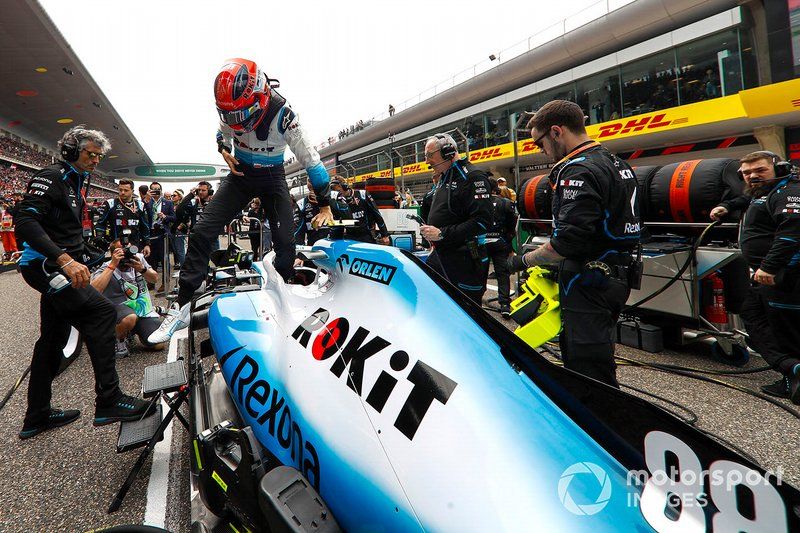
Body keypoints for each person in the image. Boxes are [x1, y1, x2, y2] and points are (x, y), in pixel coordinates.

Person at [149, 58, 333, 344]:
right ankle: (182, 305)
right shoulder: (231, 110)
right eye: (229, 115)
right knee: (201, 232)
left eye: (240, 115)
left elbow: (313, 164)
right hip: (240, 174)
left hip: (273, 177)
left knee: (286, 244)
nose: (236, 121)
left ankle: (285, 297)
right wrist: (224, 151)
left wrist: (324, 204)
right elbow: (222, 133)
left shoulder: (285, 117)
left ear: (260, 96)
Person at [14, 125, 153, 439]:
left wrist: (100, 252)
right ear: (70, 151)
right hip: (46, 267)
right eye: (90, 154)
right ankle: (109, 400)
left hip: (57, 264)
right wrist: (64, 259)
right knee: (102, 313)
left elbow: (67, 233)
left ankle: (36, 415)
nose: (95, 160)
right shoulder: (51, 176)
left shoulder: (79, 180)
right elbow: (25, 222)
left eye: (98, 155)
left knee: (52, 339)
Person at [508, 100, 641, 388]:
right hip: (616, 274)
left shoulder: (577, 171)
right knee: (597, 356)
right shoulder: (616, 162)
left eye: (539, 143)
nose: (540, 150)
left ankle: (601, 427)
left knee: (587, 369)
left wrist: (522, 261)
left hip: (590, 279)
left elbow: (567, 241)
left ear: (556, 132)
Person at [711, 151, 800, 402]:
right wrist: (726, 206)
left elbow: (791, 233)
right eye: (747, 173)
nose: (753, 177)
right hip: (767, 277)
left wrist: (771, 267)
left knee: (786, 328)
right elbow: (745, 200)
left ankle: (792, 374)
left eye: (760, 170)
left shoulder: (789, 192)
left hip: (784, 275)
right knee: (752, 314)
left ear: (780, 169)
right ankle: (791, 369)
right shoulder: (765, 192)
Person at [419, 133, 493, 304]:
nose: (426, 161)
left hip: (465, 261)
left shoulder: (473, 177)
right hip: (442, 255)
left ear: (448, 151)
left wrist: (442, 233)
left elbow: (482, 222)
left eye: (430, 155)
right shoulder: (445, 176)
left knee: (467, 312)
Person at [90, 239, 165, 358]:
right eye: (121, 253)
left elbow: (154, 279)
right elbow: (93, 290)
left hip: (140, 310)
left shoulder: (138, 259)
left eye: (128, 252)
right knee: (129, 318)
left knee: (158, 344)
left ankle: (133, 330)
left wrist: (142, 269)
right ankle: (118, 339)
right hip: (118, 310)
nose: (125, 257)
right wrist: (112, 266)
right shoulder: (107, 266)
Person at [93, 179, 151, 256]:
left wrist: (147, 244)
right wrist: (99, 238)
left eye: (126, 190)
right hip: (116, 247)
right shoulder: (110, 204)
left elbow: (145, 227)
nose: (122, 192)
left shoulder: (140, 205)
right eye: (120, 190)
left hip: (135, 246)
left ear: (132, 191)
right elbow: (100, 223)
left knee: (136, 266)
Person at [487, 177, 518, 318]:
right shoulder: (506, 203)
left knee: (480, 272)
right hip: (500, 242)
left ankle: (474, 301)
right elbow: (512, 226)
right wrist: (507, 239)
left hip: (482, 242)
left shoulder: (478, 203)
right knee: (502, 273)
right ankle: (505, 304)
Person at [330, 179, 390, 244]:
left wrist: (384, 235)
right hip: (349, 236)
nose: (338, 194)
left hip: (366, 235)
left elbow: (376, 213)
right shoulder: (338, 201)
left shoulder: (362, 195)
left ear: (345, 186)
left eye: (339, 191)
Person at [146, 181, 175, 286]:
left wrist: (165, 217)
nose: (155, 191)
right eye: (153, 189)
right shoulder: (146, 202)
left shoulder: (168, 203)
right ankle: (151, 282)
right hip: (151, 233)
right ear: (150, 190)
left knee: (164, 259)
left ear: (161, 190)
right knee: (150, 259)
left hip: (163, 234)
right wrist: (146, 200)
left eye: (157, 189)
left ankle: (165, 283)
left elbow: (174, 218)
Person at [169, 189, 186, 269]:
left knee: (180, 251)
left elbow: (186, 217)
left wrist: (180, 226)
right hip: (171, 230)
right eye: (172, 195)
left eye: (174, 195)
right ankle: (183, 267)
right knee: (175, 251)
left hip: (179, 231)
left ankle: (184, 268)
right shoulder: (171, 205)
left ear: (179, 197)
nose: (172, 197)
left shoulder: (182, 205)